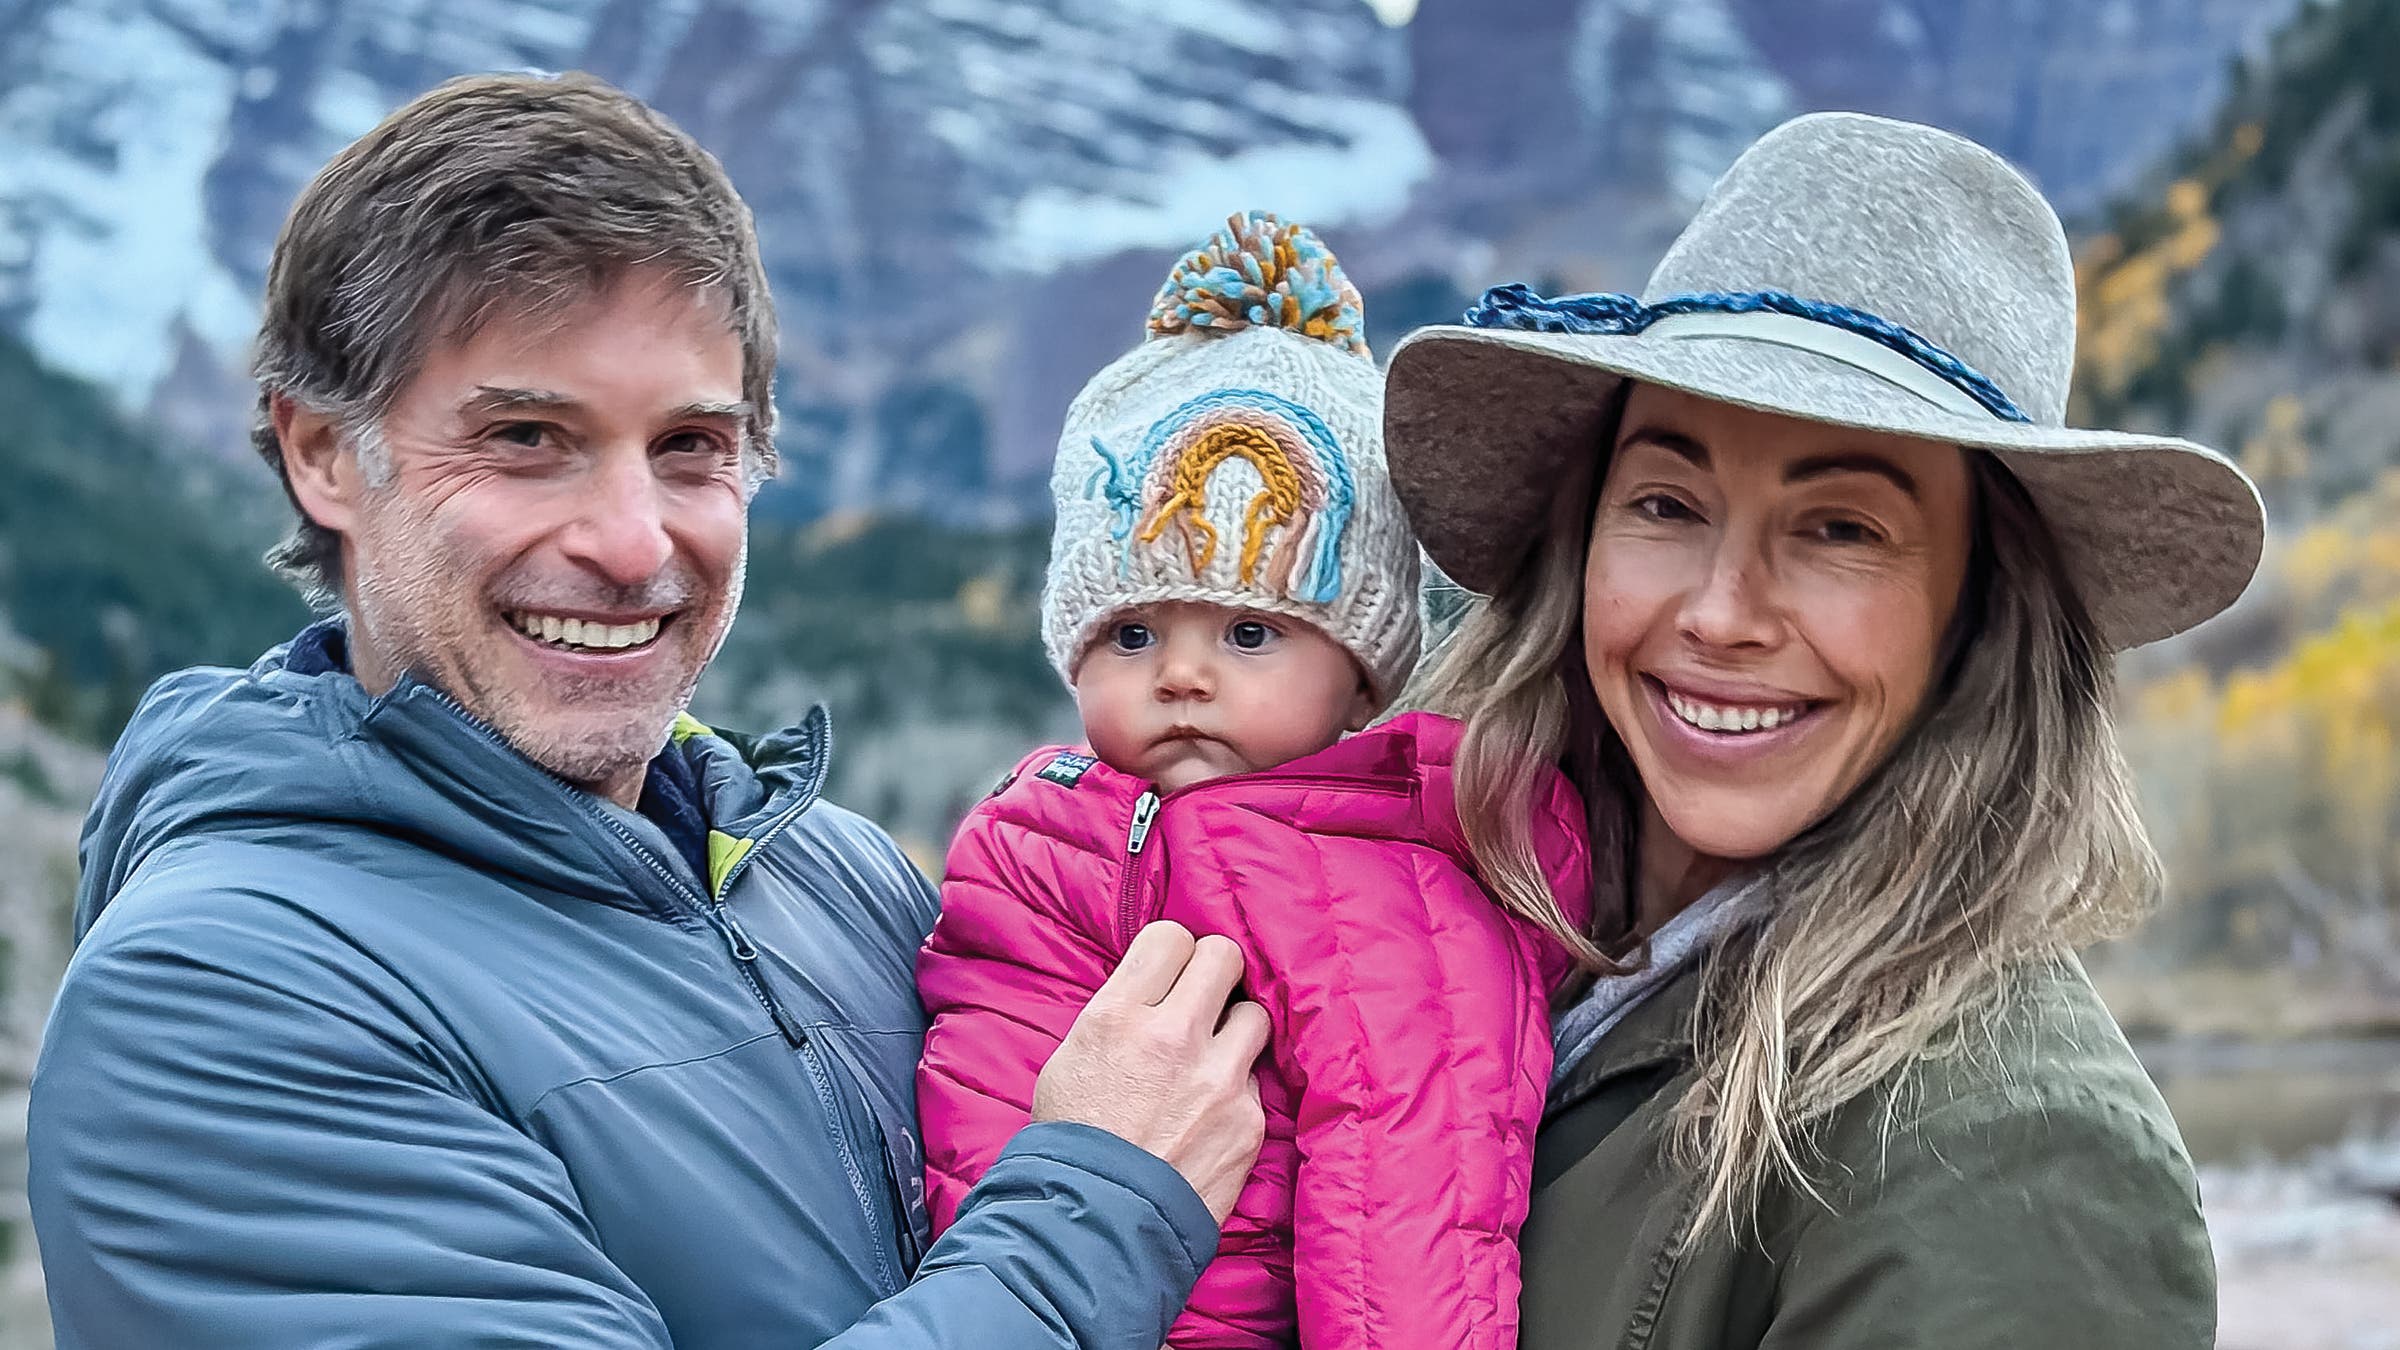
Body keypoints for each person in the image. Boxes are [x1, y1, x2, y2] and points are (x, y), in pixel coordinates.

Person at [27, 72, 1270, 1350]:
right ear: (325, 453)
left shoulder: (837, 878)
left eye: (689, 447)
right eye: (524, 436)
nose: (633, 544)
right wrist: (1101, 1206)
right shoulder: (219, 1004)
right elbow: (1086, 1214)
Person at [1384, 112, 2266, 1347]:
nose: (1721, 611)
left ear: (1980, 609)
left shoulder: (2010, 1157)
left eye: (1840, 528)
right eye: (1667, 502)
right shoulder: (1448, 958)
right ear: (1580, 541)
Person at [915, 212, 1595, 1350]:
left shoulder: (1395, 887)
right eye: (1131, 634)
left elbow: (1416, 1206)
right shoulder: (1027, 840)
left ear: (1362, 676)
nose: (1180, 674)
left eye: (1247, 633)